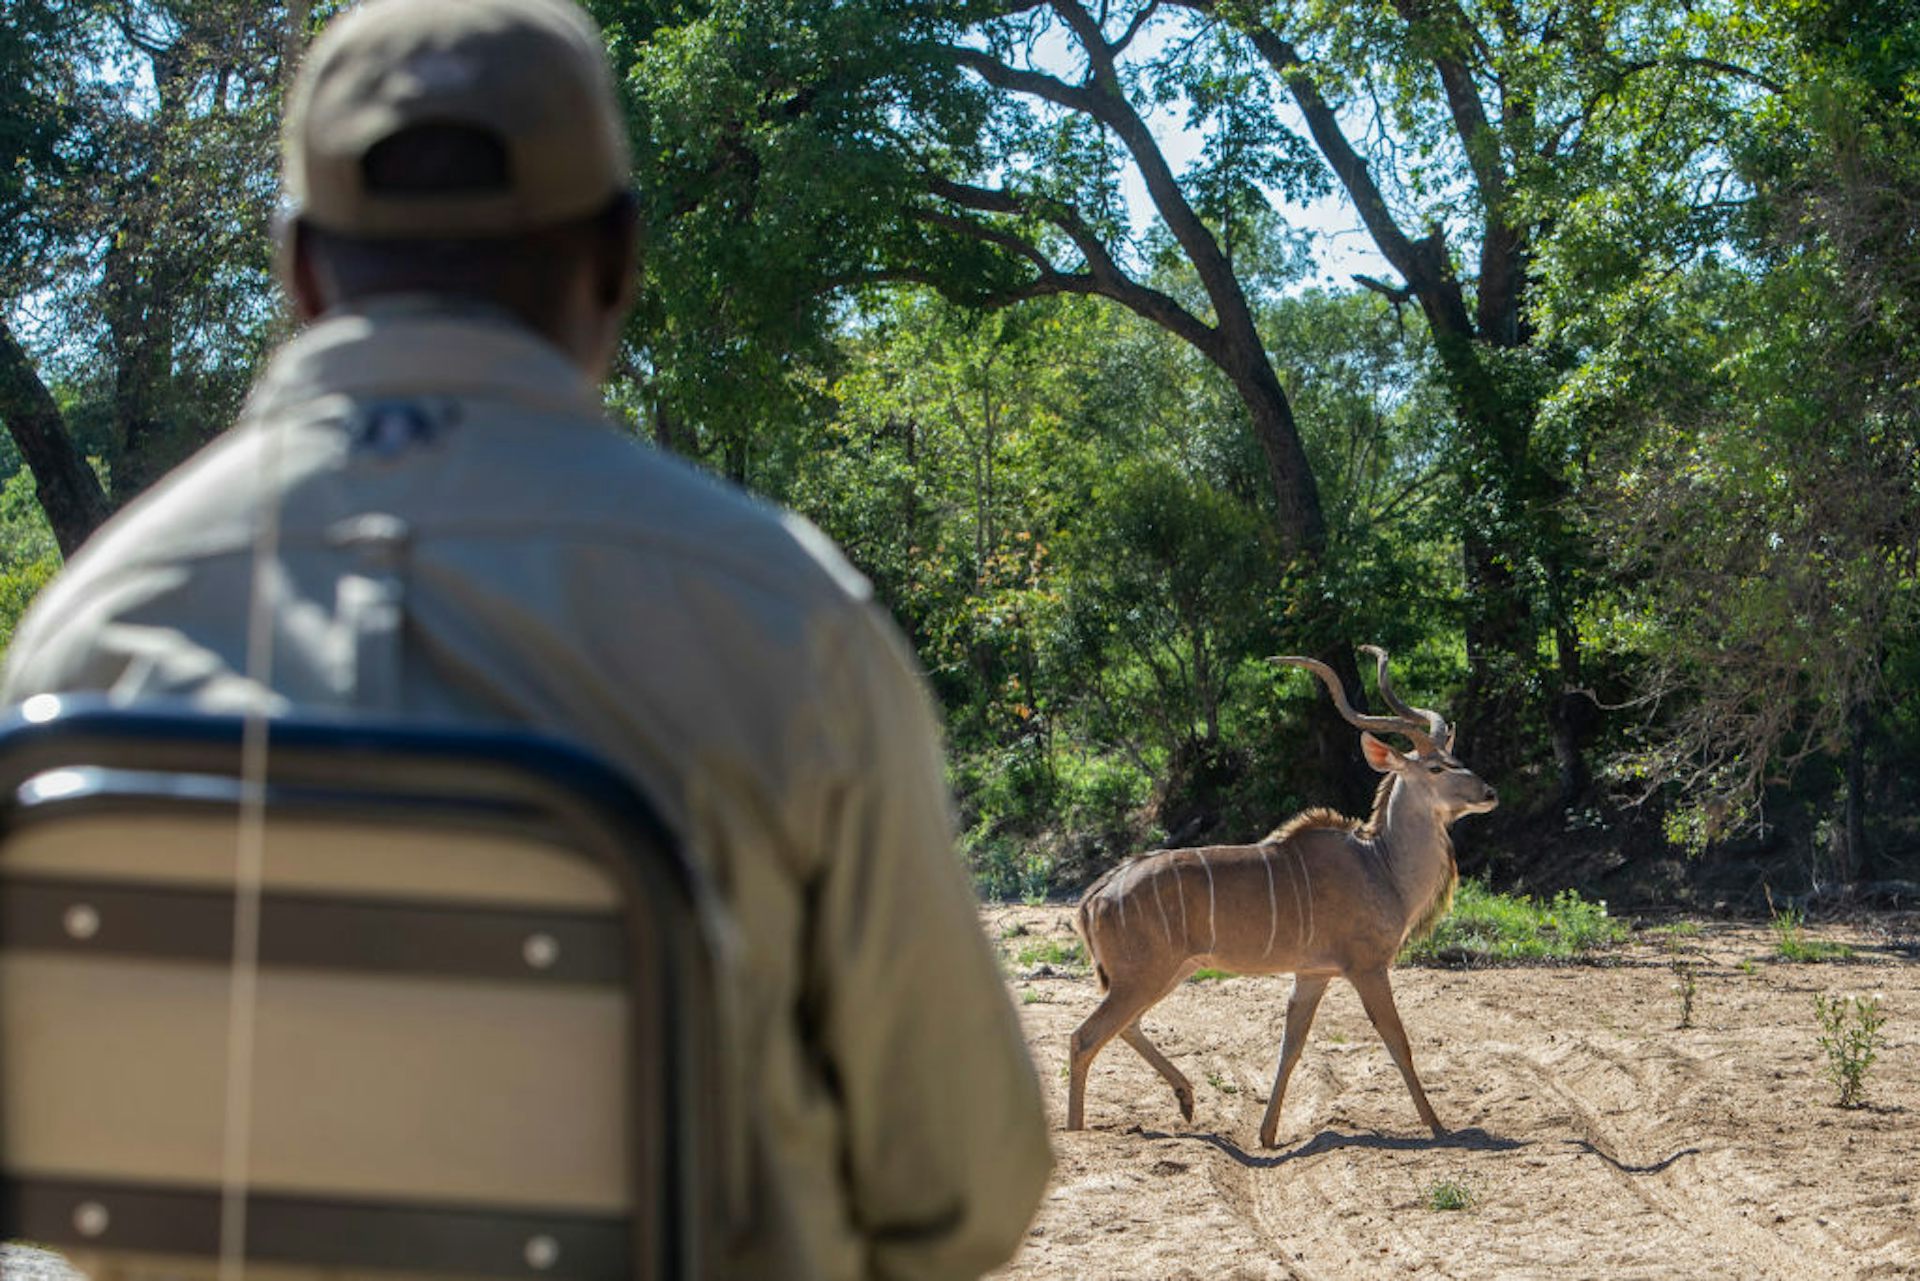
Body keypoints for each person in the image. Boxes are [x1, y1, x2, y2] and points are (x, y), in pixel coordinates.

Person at [0, 0, 1053, 1277]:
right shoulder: (782, 622)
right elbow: (961, 1187)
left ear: (299, 270)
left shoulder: (88, 636)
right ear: (616, 256)